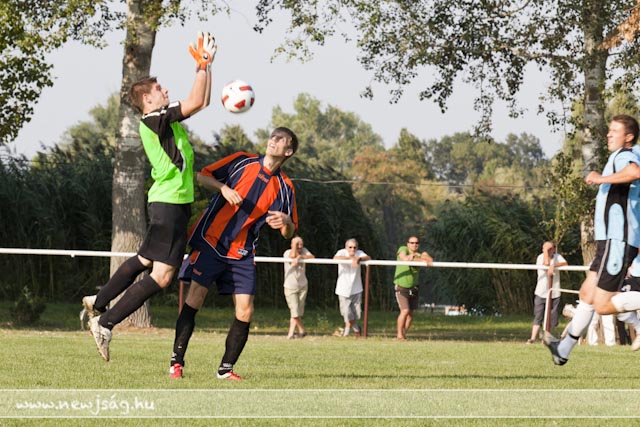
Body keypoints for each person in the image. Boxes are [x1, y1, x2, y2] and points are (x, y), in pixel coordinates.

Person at [82, 32, 215, 361]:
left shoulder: (161, 118)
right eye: (159, 89)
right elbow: (194, 101)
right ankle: (105, 322)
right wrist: (201, 66)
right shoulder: (154, 119)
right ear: (147, 99)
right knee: (162, 275)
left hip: (172, 204)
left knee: (144, 260)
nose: (165, 91)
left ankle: (98, 302)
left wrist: (207, 68)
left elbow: (203, 102)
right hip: (169, 203)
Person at [168, 126, 299, 380]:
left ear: (289, 151)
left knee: (245, 311)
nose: (274, 140)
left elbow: (289, 233)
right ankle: (176, 362)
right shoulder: (242, 161)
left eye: (281, 139)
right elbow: (201, 177)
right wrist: (223, 188)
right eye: (273, 136)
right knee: (195, 298)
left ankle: (225, 369)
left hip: (242, 252)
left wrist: (285, 222)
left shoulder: (285, 187)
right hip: (211, 241)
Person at [544, 114, 640, 365]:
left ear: (628, 137)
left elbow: (634, 172)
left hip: (617, 240)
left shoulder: (624, 155)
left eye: (615, 130)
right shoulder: (624, 155)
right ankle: (563, 349)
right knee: (587, 292)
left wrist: (600, 179)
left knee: (603, 305)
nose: (609, 134)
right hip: (609, 240)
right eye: (609, 130)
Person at [527, 241, 568, 344]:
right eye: (545, 249)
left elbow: (565, 263)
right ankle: (532, 338)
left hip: (554, 293)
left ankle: (547, 337)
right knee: (538, 316)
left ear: (554, 249)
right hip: (541, 292)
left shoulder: (558, 257)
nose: (548, 251)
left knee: (552, 319)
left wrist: (554, 265)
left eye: (550, 249)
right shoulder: (540, 257)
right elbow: (546, 264)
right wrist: (546, 252)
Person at [393, 236, 432, 340]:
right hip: (401, 287)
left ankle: (403, 334)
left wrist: (423, 256)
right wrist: (418, 257)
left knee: (410, 315)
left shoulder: (421, 254)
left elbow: (429, 261)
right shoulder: (403, 249)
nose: (414, 245)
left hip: (413, 287)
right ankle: (399, 335)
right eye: (412, 243)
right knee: (405, 311)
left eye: (416, 243)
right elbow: (405, 258)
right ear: (407, 244)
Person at [333, 238, 371, 337]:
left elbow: (368, 258)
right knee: (346, 312)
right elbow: (335, 258)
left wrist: (358, 259)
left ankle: (353, 329)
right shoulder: (341, 252)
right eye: (350, 247)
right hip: (343, 288)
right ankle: (352, 330)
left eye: (354, 247)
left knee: (356, 312)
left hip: (356, 288)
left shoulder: (359, 253)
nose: (352, 249)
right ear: (346, 247)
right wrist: (350, 259)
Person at [283, 236, 315, 339]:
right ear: (292, 245)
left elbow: (312, 257)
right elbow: (292, 256)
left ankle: (291, 334)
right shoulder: (287, 253)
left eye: (301, 244)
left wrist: (300, 257)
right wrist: (295, 248)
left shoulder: (304, 251)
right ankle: (302, 330)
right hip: (290, 286)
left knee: (298, 312)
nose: (300, 247)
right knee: (294, 310)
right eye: (297, 245)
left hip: (303, 285)